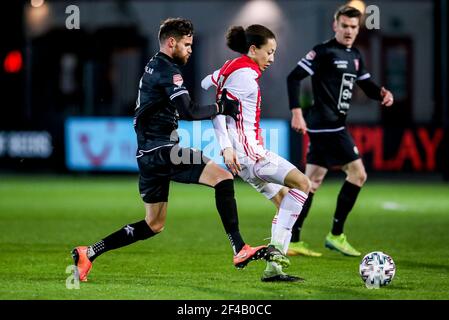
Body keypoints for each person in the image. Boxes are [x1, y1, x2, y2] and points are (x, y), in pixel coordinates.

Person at [71, 18, 286, 282]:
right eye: (186, 44)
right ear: (171, 42)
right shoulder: (168, 70)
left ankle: (89, 252)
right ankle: (240, 248)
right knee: (223, 177)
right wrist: (221, 108)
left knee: (154, 224)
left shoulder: (152, 65)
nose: (190, 50)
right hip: (164, 150)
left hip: (147, 155)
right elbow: (189, 111)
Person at [201, 24, 311, 282]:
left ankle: (274, 269)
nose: (272, 59)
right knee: (303, 184)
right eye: (269, 52)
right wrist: (226, 148)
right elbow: (218, 111)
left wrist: (219, 79)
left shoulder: (231, 67)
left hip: (244, 161)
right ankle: (276, 252)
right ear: (253, 49)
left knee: (285, 201)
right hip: (252, 156)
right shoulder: (245, 77)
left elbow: (208, 81)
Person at [286, 5, 394, 257]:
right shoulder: (322, 51)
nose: (348, 31)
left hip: (330, 126)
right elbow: (293, 77)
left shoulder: (355, 54)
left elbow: (365, 85)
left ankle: (293, 239)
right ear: (335, 26)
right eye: (344, 26)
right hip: (328, 125)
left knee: (309, 183)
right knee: (358, 175)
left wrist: (381, 94)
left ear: (358, 29)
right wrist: (296, 111)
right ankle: (335, 235)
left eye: (353, 27)